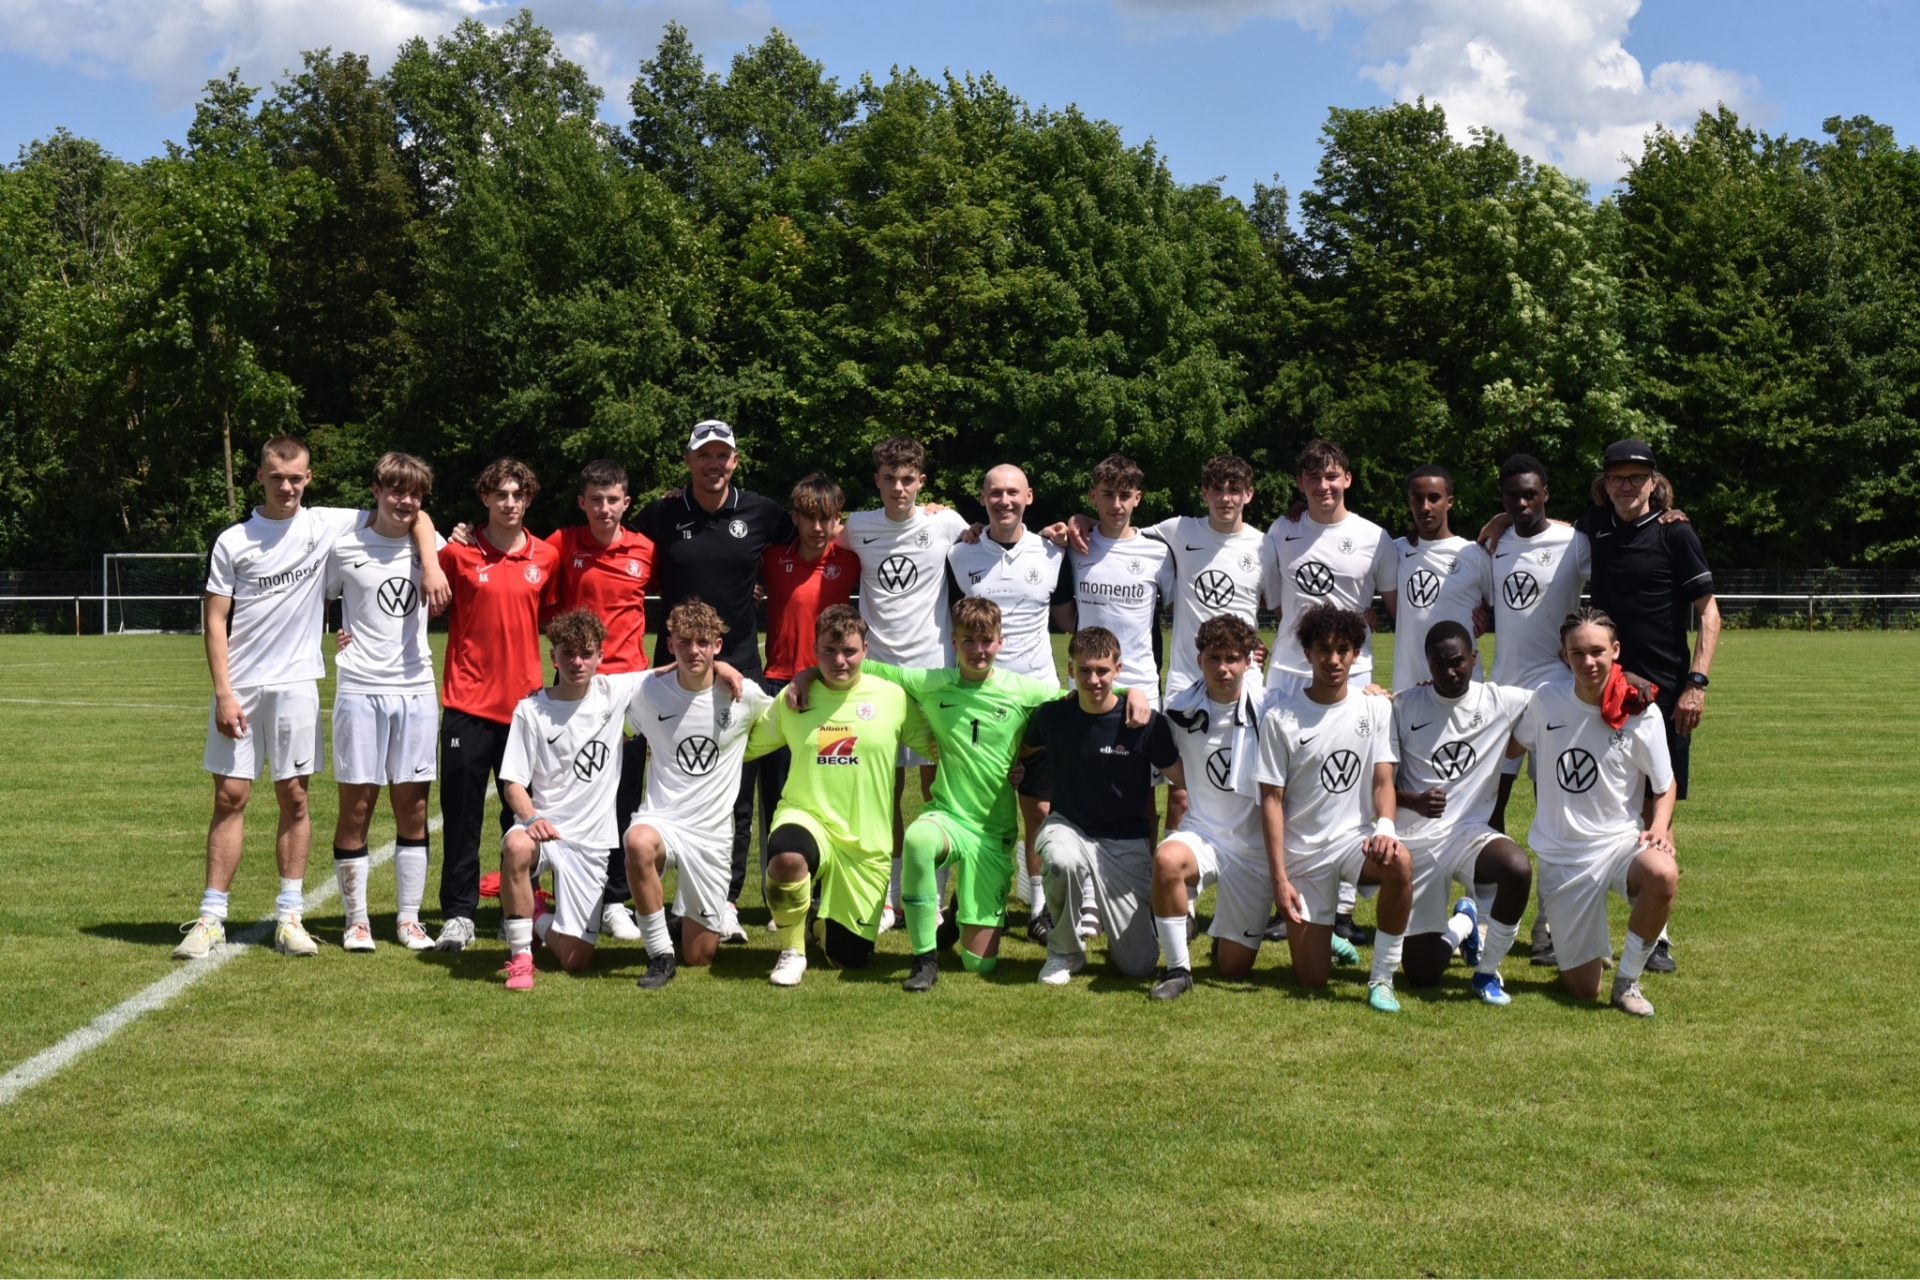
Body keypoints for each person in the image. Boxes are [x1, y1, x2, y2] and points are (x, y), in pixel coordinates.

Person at [176, 436, 447, 961]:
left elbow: (413, 511)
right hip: (241, 686)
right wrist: (223, 692)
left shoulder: (327, 524)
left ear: (309, 478)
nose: (287, 487)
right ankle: (211, 917)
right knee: (229, 797)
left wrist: (432, 565)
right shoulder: (233, 540)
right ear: (260, 477)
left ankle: (290, 916)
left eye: (296, 478)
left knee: (296, 798)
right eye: (277, 477)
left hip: (299, 683)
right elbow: (214, 620)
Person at [631, 420, 798, 944]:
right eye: (704, 455)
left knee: (736, 794)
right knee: (674, 784)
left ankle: (724, 900)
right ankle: (648, 896)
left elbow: (820, 532)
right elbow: (614, 539)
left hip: (740, 668)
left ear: (735, 460)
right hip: (673, 672)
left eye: (722, 455)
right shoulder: (661, 513)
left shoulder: (762, 512)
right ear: (688, 461)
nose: (714, 464)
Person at [1574, 439, 1719, 973]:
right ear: (1604, 482)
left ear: (1654, 482)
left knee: (1657, 807)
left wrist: (1696, 683)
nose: (1626, 486)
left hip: (1664, 697)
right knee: (1606, 803)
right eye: (1617, 477)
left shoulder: (1675, 533)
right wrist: (1500, 521)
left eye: (1636, 477)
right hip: (1606, 689)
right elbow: (1542, 526)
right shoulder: (1595, 525)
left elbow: (1709, 613)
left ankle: (1658, 938)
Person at [746, 605, 935, 987]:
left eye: (849, 651)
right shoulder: (794, 699)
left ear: (866, 649)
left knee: (848, 957)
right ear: (815, 650)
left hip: (865, 842)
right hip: (806, 816)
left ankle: (819, 923)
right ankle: (792, 951)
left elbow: (938, 746)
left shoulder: (893, 698)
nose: (839, 661)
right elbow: (743, 746)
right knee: (787, 859)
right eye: (829, 651)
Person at [1260, 439, 1397, 946]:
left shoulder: (1374, 537)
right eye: (1313, 478)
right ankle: (1287, 894)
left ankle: (1342, 910)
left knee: (1351, 787)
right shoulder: (1282, 530)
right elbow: (1277, 605)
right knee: (1285, 787)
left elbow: (1397, 607)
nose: (1323, 486)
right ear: (1300, 484)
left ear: (1348, 479)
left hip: (1353, 673)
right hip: (1288, 673)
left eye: (1332, 475)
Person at [1509, 607, 1679, 1017]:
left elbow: (1665, 784)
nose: (1588, 661)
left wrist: (1659, 827)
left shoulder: (1642, 712)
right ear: (1563, 655)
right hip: (1564, 858)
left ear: (1615, 650)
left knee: (1663, 872)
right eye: (1578, 653)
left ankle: (1627, 981)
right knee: (1583, 989)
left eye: (1598, 651)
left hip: (1620, 844)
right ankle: (1587, 947)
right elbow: (1510, 744)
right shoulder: (1545, 701)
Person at [832, 438, 963, 932]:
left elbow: (992, 535)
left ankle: (932, 896)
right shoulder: (858, 526)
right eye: (889, 479)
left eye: (908, 479)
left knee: (937, 792)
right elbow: (812, 533)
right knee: (882, 790)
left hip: (933, 679)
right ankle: (888, 899)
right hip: (877, 679)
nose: (899, 488)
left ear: (921, 481)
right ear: (877, 481)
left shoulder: (944, 523)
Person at [1256, 603, 1412, 1012]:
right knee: (1312, 981)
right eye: (1324, 649)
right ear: (1308, 653)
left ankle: (1382, 979)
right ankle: (1327, 939)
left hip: (1353, 842)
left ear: (1356, 653)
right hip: (1304, 854)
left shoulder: (1375, 707)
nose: (1334, 659)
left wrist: (1385, 827)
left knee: (1399, 861)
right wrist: (1279, 879)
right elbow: (1271, 801)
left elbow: (1383, 781)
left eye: (1343, 649)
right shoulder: (1280, 718)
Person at [433, 457, 560, 952]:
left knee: (523, 821)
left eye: (518, 495)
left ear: (529, 500)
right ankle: (459, 915)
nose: (510, 503)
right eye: (501, 494)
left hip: (526, 710)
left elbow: (554, 623)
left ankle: (520, 912)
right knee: (461, 817)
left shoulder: (546, 556)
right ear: (484, 497)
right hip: (466, 705)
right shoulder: (458, 554)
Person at [324, 451, 443, 952]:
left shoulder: (431, 543)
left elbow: (428, 527)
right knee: (357, 807)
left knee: (413, 808)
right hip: (359, 689)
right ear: (375, 491)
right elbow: (318, 599)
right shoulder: (345, 545)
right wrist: (334, 632)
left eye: (415, 493)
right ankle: (356, 921)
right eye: (396, 490)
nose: (405, 500)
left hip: (416, 688)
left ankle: (409, 919)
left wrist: (431, 561)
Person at [495, 610, 648, 991]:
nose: (577, 662)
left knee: (575, 961)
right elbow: (512, 783)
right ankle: (520, 959)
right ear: (553, 657)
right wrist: (531, 818)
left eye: (586, 653)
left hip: (590, 842)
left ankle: (538, 918)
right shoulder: (531, 710)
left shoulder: (615, 692)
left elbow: (674, 671)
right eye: (568, 653)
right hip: (542, 828)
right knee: (516, 846)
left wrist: (724, 669)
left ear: (600, 656)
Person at [624, 601, 773, 989]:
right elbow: (619, 727)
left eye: (703, 643)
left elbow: (784, 717)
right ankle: (660, 954)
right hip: (662, 820)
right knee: (637, 842)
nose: (694, 651)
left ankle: (679, 921)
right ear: (670, 644)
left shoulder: (743, 694)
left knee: (700, 955)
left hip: (711, 836)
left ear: (717, 646)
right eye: (684, 642)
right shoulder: (650, 691)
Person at [949, 464, 1068, 943]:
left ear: (1029, 497)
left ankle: (1039, 906)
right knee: (978, 807)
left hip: (1039, 700)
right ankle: (971, 898)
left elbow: (1072, 617)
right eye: (995, 493)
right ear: (982, 498)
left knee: (1039, 808)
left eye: (1013, 492)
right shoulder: (959, 553)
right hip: (981, 701)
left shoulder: (1054, 550)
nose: (1004, 501)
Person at [1025, 626, 1183, 987]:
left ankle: (1124, 927)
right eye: (1083, 671)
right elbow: (1023, 748)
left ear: (1118, 670)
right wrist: (1016, 767)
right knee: (1060, 859)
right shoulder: (1052, 716)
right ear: (1070, 670)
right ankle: (1065, 951)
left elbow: (1182, 776)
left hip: (1125, 843)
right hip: (1070, 827)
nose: (1093, 680)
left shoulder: (1144, 722)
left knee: (1138, 966)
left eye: (1102, 671)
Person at [1389, 621, 1535, 1004]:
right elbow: (1378, 785)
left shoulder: (1501, 700)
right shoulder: (1402, 706)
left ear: (1474, 658)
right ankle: (1464, 923)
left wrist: (1626, 677)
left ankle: (1487, 972)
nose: (1449, 672)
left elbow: (1564, 695)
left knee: (1517, 868)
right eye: (1438, 665)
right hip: (1417, 840)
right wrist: (1413, 801)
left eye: (1457, 662)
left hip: (1468, 832)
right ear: (1427, 665)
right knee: (1421, 976)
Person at [542, 459, 656, 944]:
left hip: (629, 692)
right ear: (581, 503)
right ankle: (571, 895)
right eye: (595, 500)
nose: (604, 508)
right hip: (575, 687)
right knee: (572, 796)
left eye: (613, 500)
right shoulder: (562, 543)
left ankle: (614, 900)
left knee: (624, 797)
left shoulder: (646, 549)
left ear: (626, 502)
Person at [1148, 615, 1281, 1000]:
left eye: (1232, 658)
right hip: (1202, 834)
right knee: (1166, 860)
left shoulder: (1272, 708)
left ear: (1248, 661)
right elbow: (1171, 765)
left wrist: (1371, 694)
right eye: (1214, 658)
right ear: (1199, 659)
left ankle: (1226, 936)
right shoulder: (1179, 709)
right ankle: (1178, 970)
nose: (1223, 668)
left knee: (1232, 968)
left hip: (1254, 851)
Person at [760, 473, 857, 840]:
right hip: (778, 686)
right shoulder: (771, 558)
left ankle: (827, 870)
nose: (817, 527)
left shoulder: (851, 560)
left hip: (832, 691)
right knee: (778, 792)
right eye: (809, 518)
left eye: (826, 518)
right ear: (794, 518)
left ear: (838, 519)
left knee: (831, 792)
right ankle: (777, 872)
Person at [1051, 455, 1174, 711]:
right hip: (1087, 683)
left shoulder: (1159, 553)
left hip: (1142, 687)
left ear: (1137, 498)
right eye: (1107, 494)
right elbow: (1063, 613)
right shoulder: (1074, 546)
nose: (1116, 504)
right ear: (1093, 496)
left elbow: (1178, 611)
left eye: (1125, 495)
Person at [1385, 465, 1477, 695]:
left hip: (1464, 689)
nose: (1425, 506)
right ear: (1409, 502)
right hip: (1409, 689)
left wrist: (1502, 519)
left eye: (1434, 498)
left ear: (1450, 501)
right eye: (1417, 498)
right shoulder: (1393, 551)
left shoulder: (1474, 554)